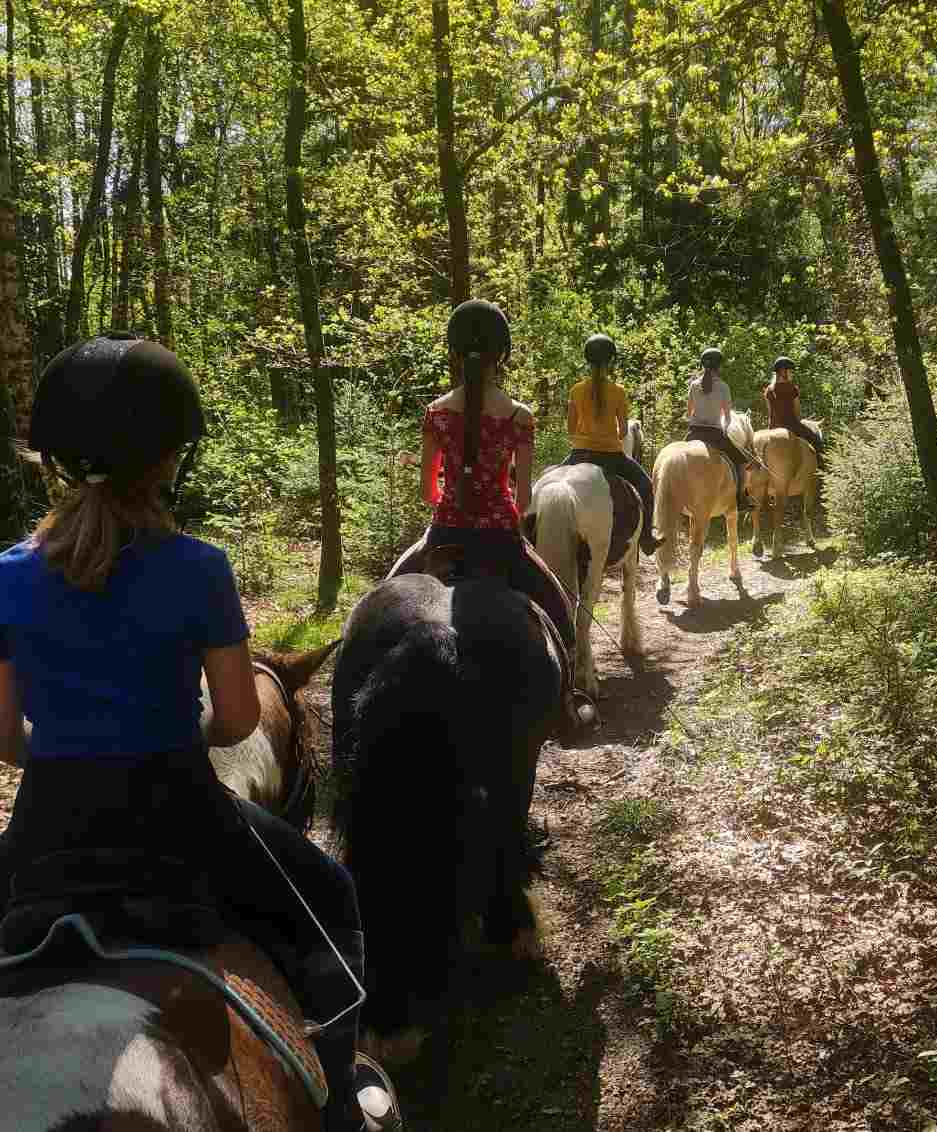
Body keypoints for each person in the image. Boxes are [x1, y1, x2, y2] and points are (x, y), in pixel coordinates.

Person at [0, 334, 401, 1132]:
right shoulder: (199, 566)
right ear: (168, 461)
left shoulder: (9, 575)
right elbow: (243, 719)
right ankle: (343, 1090)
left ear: (53, 458)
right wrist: (184, 722)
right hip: (181, 813)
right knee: (330, 893)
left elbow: (6, 739)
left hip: (49, 823)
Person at [419, 300, 583, 695]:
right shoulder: (520, 416)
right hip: (501, 539)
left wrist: (452, 500)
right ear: (503, 355)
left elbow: (428, 492)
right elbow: (524, 496)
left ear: (453, 353)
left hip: (444, 535)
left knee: (389, 590)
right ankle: (569, 697)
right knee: (560, 611)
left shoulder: (436, 413)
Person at [560, 333, 664, 556]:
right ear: (611, 361)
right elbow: (624, 430)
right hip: (612, 456)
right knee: (646, 486)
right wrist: (609, 435)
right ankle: (646, 537)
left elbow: (570, 429)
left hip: (580, 454)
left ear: (587, 360)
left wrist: (585, 436)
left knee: (550, 482)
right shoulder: (618, 391)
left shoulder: (576, 390)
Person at [685, 346, 756, 512]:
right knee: (741, 461)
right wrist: (724, 428)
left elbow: (689, 412)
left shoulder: (694, 385)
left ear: (703, 365)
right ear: (719, 367)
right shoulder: (723, 387)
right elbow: (728, 416)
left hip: (694, 432)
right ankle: (741, 498)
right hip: (714, 434)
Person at [764, 356, 825, 470]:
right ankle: (822, 471)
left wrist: (770, 428)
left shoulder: (768, 390)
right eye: (790, 371)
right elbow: (797, 413)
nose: (792, 374)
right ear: (783, 372)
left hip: (773, 427)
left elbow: (770, 414)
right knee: (816, 440)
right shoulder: (792, 388)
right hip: (792, 426)